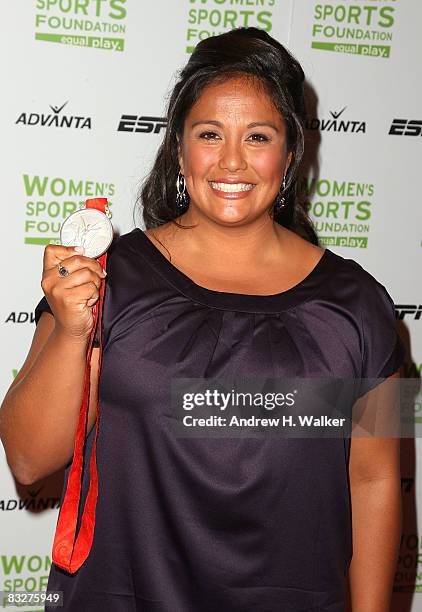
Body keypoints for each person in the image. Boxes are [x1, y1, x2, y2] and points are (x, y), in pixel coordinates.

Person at [0, 27, 405, 612]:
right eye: (209, 134)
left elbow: (375, 482)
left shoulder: (363, 304)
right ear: (180, 148)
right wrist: (71, 330)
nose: (232, 161)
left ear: (290, 154)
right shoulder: (107, 279)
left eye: (258, 137)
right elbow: (29, 458)